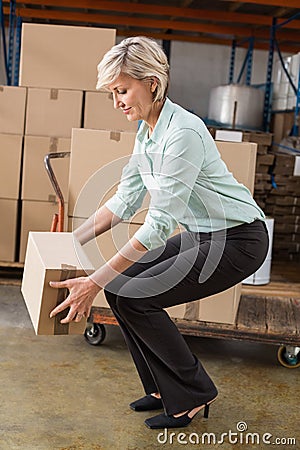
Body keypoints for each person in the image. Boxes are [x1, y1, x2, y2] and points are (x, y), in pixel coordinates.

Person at [49, 36, 269, 430]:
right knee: (121, 290)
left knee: (134, 298)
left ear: (151, 82)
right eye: (112, 92)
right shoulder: (147, 132)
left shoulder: (182, 132)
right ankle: (161, 388)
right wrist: (72, 239)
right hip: (203, 233)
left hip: (238, 240)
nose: (116, 100)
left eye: (122, 90)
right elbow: (125, 202)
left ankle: (193, 394)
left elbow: (158, 225)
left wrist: (94, 281)